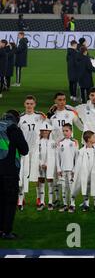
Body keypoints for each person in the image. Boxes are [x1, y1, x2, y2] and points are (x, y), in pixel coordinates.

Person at [0, 110, 29, 239]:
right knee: (10, 202)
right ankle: (6, 231)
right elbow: (24, 150)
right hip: (9, 171)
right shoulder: (14, 129)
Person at [71, 130, 95, 213]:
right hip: (85, 172)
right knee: (86, 187)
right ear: (89, 139)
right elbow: (78, 163)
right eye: (93, 137)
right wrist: (75, 171)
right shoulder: (81, 151)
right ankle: (86, 204)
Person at [18, 95, 47, 208]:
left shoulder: (40, 116)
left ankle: (39, 198)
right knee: (22, 175)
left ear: (35, 104)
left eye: (31, 103)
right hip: (23, 151)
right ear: (24, 104)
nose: (29, 106)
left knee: (38, 176)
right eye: (27, 103)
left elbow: (49, 123)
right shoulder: (20, 118)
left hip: (37, 151)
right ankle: (21, 199)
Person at [34, 120, 57, 211]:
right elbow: (37, 153)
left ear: (49, 132)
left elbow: (53, 155)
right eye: (43, 130)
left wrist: (47, 163)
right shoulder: (38, 142)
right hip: (40, 166)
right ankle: (42, 202)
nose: (44, 132)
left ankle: (50, 202)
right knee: (41, 183)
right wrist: (40, 163)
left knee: (50, 183)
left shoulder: (53, 142)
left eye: (46, 131)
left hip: (49, 165)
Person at [55, 123, 79, 212]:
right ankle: (65, 205)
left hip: (71, 170)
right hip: (62, 169)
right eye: (63, 131)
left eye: (67, 131)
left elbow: (77, 157)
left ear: (71, 131)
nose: (65, 133)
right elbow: (57, 157)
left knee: (71, 187)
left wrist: (74, 169)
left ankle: (72, 204)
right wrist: (58, 169)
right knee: (64, 187)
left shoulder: (74, 142)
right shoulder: (60, 142)